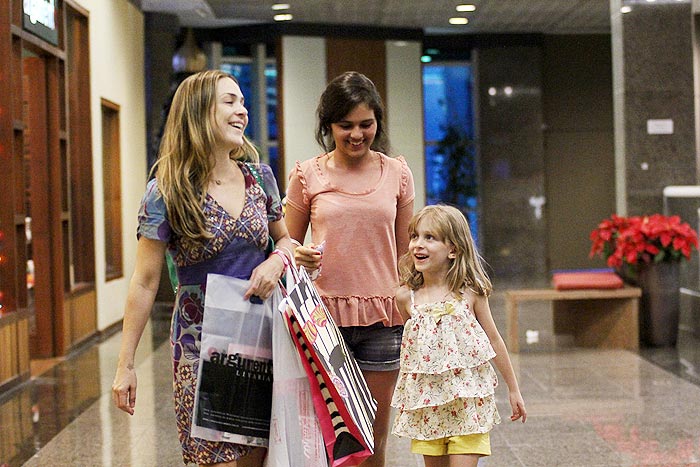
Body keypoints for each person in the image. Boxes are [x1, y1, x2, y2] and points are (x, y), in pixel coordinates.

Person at [111, 69, 293, 467]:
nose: (241, 111)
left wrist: (277, 261)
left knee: (262, 456)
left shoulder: (259, 178)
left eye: (243, 102)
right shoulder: (167, 189)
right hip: (199, 348)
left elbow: (285, 240)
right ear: (197, 112)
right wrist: (126, 365)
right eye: (229, 101)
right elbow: (144, 282)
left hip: (262, 342)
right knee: (216, 459)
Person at [284, 71, 415, 466]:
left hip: (383, 317)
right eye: (346, 126)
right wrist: (298, 252)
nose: (357, 134)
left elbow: (407, 251)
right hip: (321, 319)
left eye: (366, 124)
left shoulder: (397, 173)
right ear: (328, 126)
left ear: (378, 123)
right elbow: (283, 244)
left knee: (374, 433)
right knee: (330, 432)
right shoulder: (308, 175)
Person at [390, 204, 527, 467]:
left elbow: (494, 340)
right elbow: (414, 351)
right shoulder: (406, 298)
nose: (418, 245)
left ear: (453, 249)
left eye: (430, 238)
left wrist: (513, 388)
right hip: (428, 408)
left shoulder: (471, 293)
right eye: (415, 236)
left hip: (467, 406)